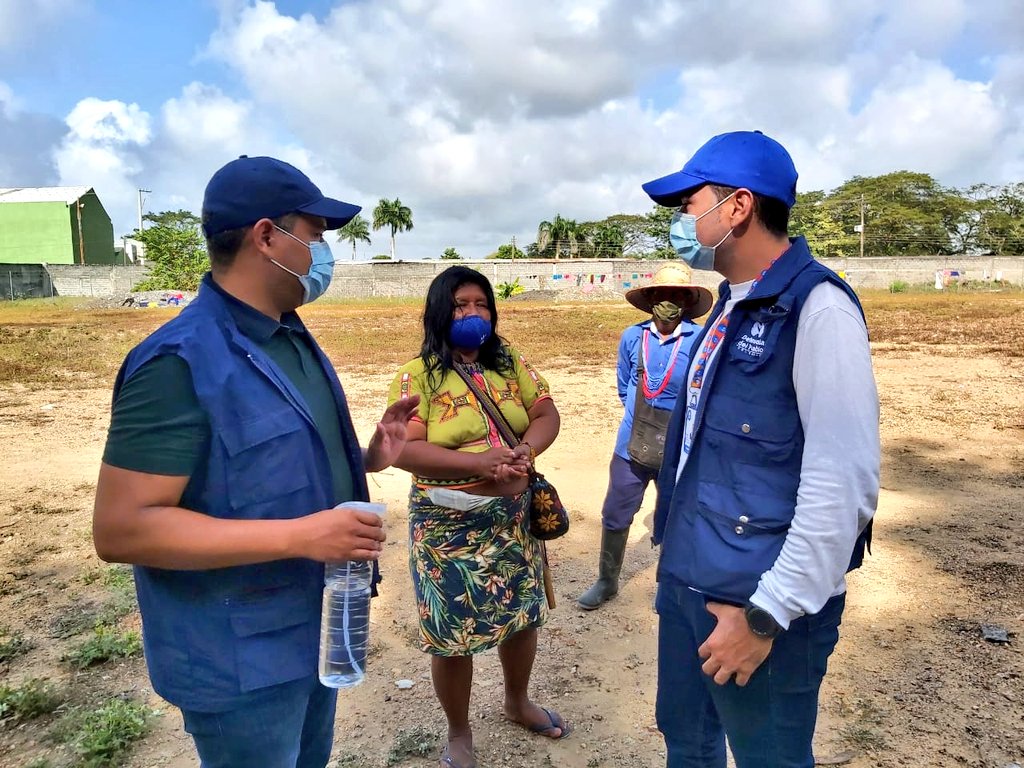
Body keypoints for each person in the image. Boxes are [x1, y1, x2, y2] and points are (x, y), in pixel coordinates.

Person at [92, 155, 420, 768]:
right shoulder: (176, 364)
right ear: (268, 236)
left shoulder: (290, 335)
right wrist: (302, 535)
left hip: (315, 632)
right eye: (315, 234)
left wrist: (370, 457)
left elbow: (270, 462)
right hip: (237, 661)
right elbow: (122, 528)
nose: (324, 253)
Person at [641, 131, 880, 768]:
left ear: (738, 207)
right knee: (687, 744)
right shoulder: (729, 307)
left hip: (759, 609)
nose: (683, 221)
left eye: (690, 204)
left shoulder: (819, 309)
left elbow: (844, 484)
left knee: (769, 754)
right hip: (691, 582)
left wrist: (767, 615)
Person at [387, 265, 568, 768]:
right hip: (448, 525)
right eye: (460, 305)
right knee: (451, 636)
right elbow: (404, 450)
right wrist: (478, 463)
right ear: (438, 313)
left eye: (480, 304)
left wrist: (526, 452)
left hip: (511, 518)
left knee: (522, 616)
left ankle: (516, 701)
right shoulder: (415, 375)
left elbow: (546, 413)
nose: (471, 313)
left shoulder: (510, 364)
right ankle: (459, 730)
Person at [576, 265, 711, 610]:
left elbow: (702, 394)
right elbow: (625, 387)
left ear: (688, 301)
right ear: (650, 299)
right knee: (616, 512)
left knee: (676, 517)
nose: (670, 301)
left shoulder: (700, 341)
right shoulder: (632, 338)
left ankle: (670, 588)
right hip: (630, 445)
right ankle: (607, 582)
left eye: (679, 295)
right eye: (663, 294)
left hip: (678, 449)